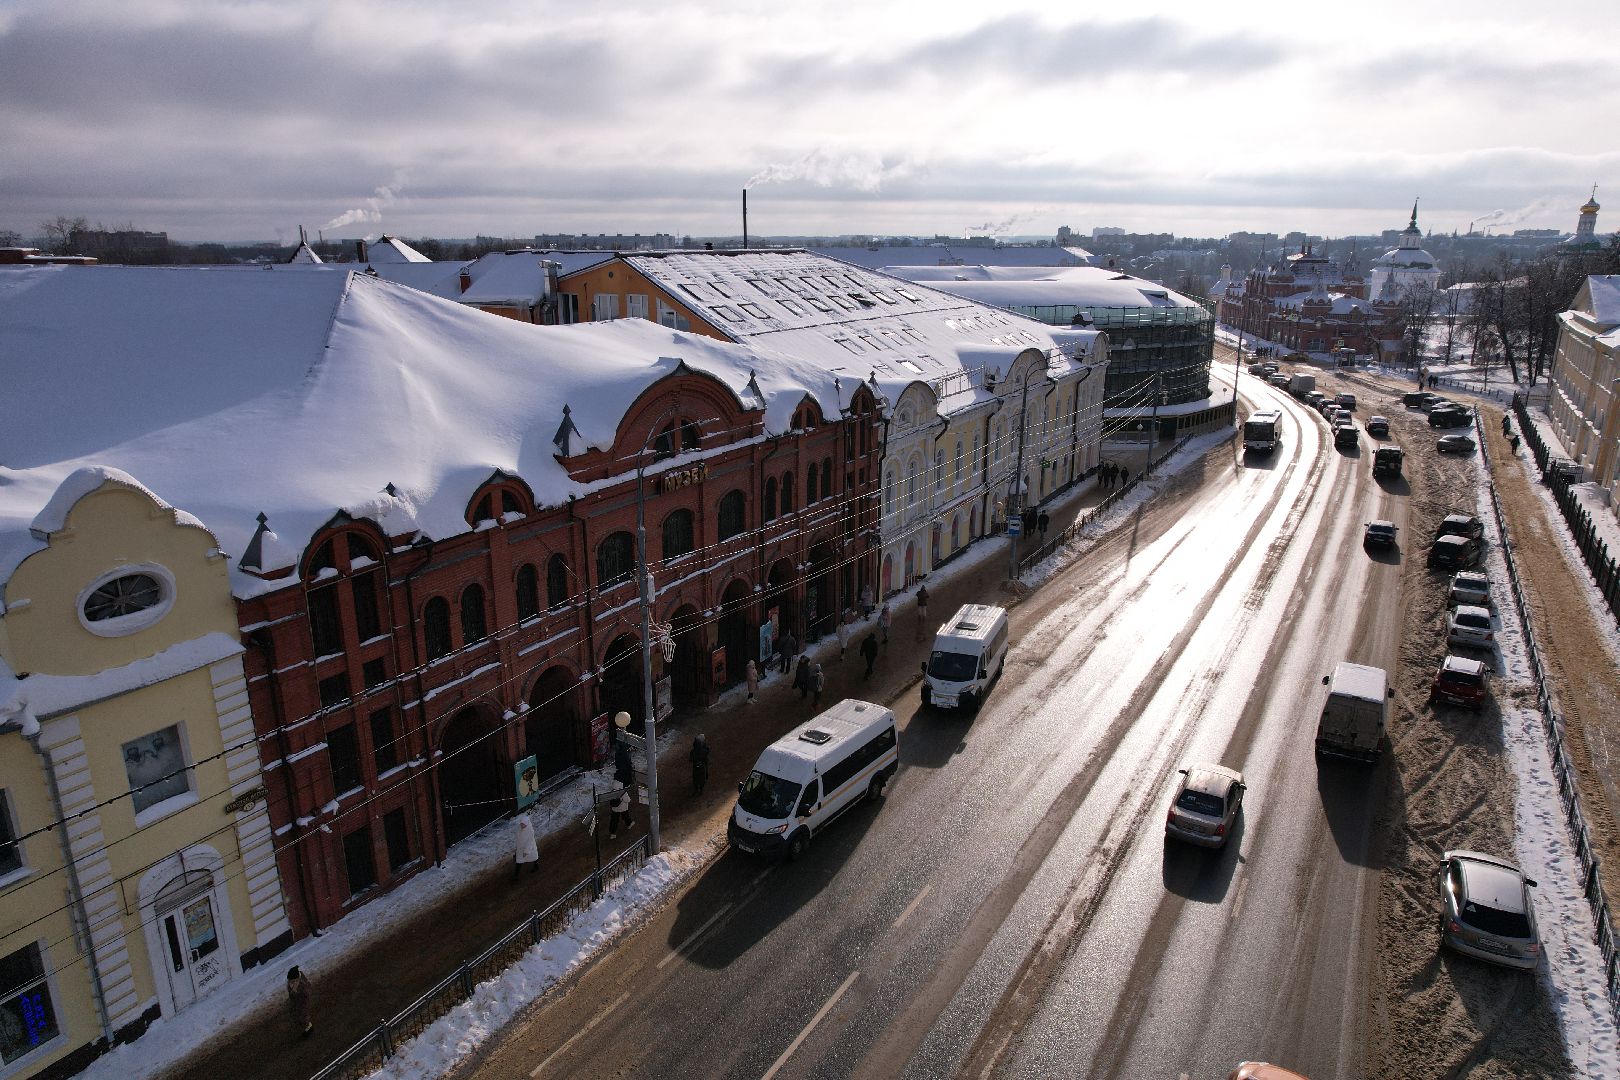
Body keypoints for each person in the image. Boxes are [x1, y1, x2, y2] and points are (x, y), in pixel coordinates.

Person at [287, 966, 312, 1039]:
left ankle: (309, 1027)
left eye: (293, 982)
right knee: (296, 1015)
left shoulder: (304, 987)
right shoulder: (290, 984)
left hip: (303, 999)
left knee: (303, 1015)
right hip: (297, 999)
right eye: (290, 981)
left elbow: (306, 998)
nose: (291, 983)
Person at [511, 815, 539, 880]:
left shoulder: (530, 831)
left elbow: (530, 842)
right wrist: (517, 849)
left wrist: (526, 851)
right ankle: (515, 876)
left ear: (527, 824)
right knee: (519, 862)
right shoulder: (519, 828)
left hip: (529, 849)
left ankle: (536, 867)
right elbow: (518, 839)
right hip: (520, 849)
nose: (522, 825)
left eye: (523, 824)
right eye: (521, 824)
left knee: (534, 858)